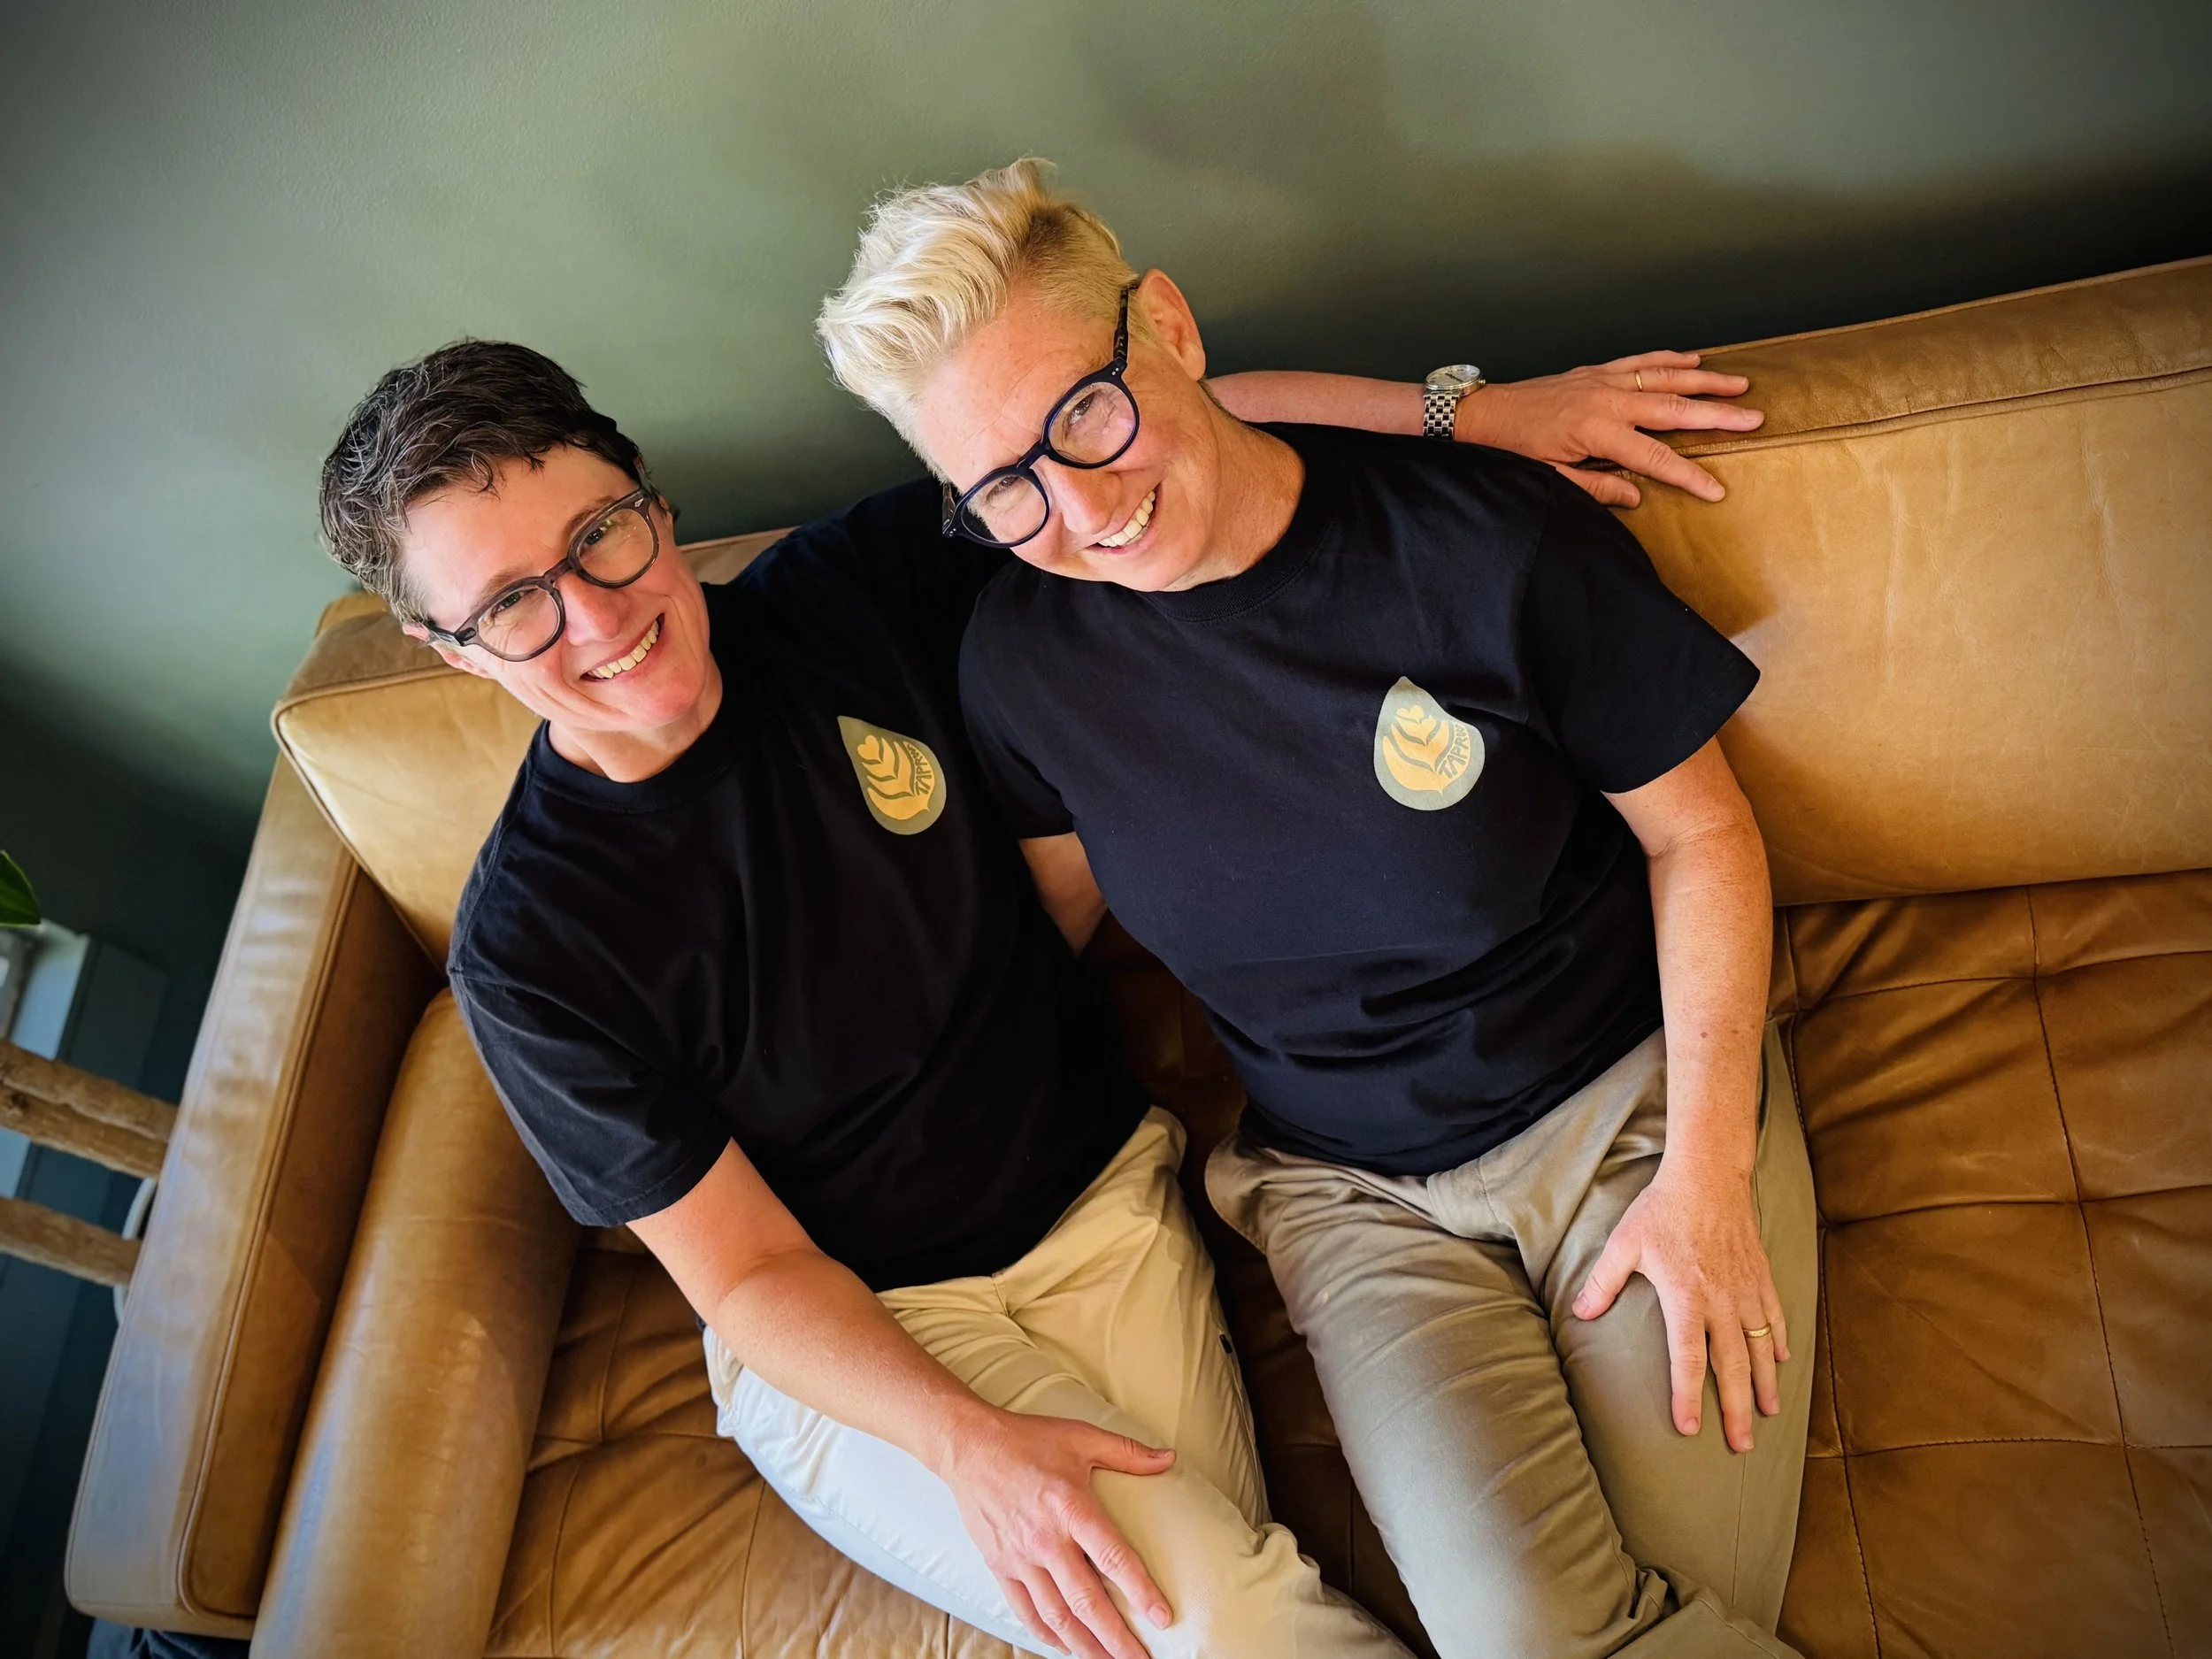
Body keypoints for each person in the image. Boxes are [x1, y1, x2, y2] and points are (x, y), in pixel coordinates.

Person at [314, 296, 1761, 1655]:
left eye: (600, 537)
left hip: (1106, 1210)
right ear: (450, 650)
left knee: (1236, 1605)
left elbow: (1156, 426)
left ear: (652, 499)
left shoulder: (853, 592)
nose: (595, 615)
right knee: (1236, 1627)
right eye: (514, 604)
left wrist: (1470, 414)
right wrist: (967, 1445)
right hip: (865, 1322)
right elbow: (747, 1273)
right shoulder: (532, 949)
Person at [818, 159, 1816, 1659]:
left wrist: (1709, 1177)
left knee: (1665, 1613)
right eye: (1003, 487)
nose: (1081, 508)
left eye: (1085, 414)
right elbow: (1036, 936)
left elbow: (1704, 834)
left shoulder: (1484, 544)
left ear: (1168, 324)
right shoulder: (1023, 664)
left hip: (1626, 1104)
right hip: (1358, 1197)